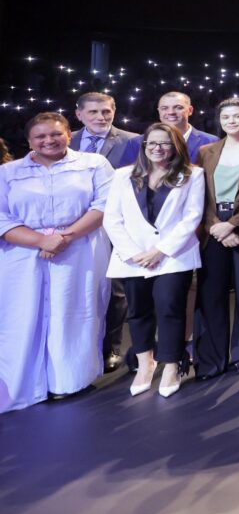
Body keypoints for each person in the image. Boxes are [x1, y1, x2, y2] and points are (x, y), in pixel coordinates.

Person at [0, 113, 114, 412]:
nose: (49, 140)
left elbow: (105, 204)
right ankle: (24, 382)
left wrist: (64, 237)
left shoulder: (94, 164)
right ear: (29, 141)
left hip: (79, 250)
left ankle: (69, 380)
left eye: (56, 134)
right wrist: (40, 240)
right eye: (41, 136)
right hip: (23, 255)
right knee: (22, 316)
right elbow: (1, 216)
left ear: (69, 134)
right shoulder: (8, 172)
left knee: (74, 311)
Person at [102, 123, 204, 397]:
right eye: (152, 144)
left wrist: (161, 251)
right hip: (132, 257)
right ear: (144, 147)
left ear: (176, 147)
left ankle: (171, 364)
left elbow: (191, 218)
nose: (157, 149)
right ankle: (146, 361)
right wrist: (134, 253)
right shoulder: (123, 176)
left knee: (170, 307)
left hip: (173, 256)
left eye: (164, 143)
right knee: (138, 310)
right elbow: (112, 219)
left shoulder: (192, 175)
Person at [193, 97, 239, 379]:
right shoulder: (206, 150)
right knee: (211, 297)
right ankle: (212, 358)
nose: (231, 121)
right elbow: (200, 195)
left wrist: (233, 225)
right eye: (226, 118)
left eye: (237, 116)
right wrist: (215, 227)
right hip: (213, 232)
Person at [70, 91, 139, 374]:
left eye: (107, 112)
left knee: (115, 289)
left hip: (115, 225)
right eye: (94, 112)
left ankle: (111, 346)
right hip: (72, 227)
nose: (101, 117)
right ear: (79, 114)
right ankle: (75, 347)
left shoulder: (134, 140)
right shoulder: (65, 139)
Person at [120, 91, 217, 164]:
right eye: (164, 108)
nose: (171, 112)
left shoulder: (211, 142)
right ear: (159, 111)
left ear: (190, 110)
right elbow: (125, 180)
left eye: (178, 107)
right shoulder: (137, 143)